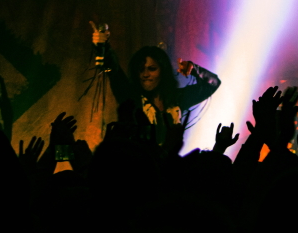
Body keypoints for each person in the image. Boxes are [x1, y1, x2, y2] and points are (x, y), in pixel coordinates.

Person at [91, 23, 220, 143]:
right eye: (141, 70)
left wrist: (194, 69)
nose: (145, 74)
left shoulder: (177, 99)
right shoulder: (131, 99)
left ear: (163, 71)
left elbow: (213, 83)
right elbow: (115, 71)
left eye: (152, 69)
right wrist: (103, 46)